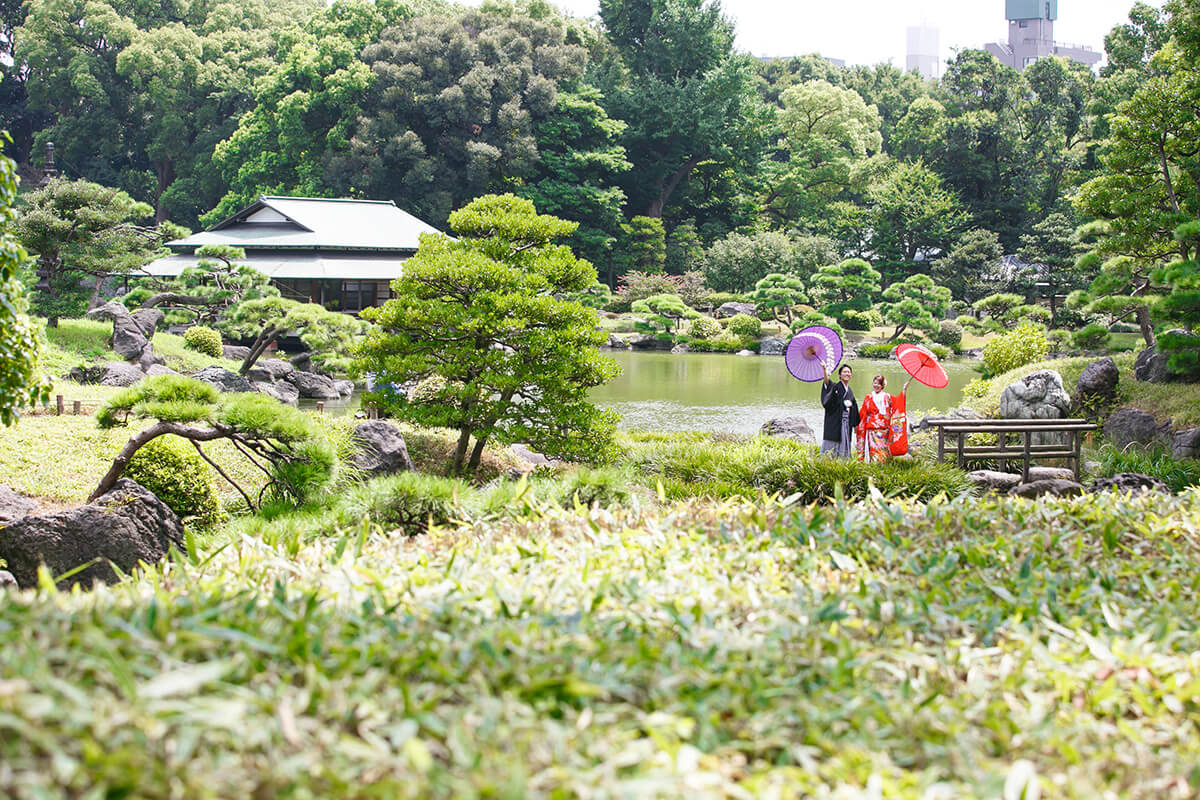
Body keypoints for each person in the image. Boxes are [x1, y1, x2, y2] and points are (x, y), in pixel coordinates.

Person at [856, 373, 913, 463]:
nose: (876, 385)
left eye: (878, 384)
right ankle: (874, 469)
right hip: (873, 431)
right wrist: (857, 425)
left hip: (885, 430)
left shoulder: (888, 396)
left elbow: (898, 403)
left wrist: (904, 389)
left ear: (882, 385)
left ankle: (884, 469)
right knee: (874, 452)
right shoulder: (868, 397)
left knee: (885, 452)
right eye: (874, 383)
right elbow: (863, 413)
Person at [820, 362, 859, 458]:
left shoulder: (850, 391)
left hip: (846, 423)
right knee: (832, 442)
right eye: (845, 372)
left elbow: (854, 408)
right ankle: (828, 460)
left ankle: (842, 460)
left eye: (849, 372)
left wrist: (855, 425)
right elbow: (827, 383)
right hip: (835, 421)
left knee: (844, 441)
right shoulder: (835, 387)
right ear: (840, 375)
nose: (847, 374)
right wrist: (824, 370)